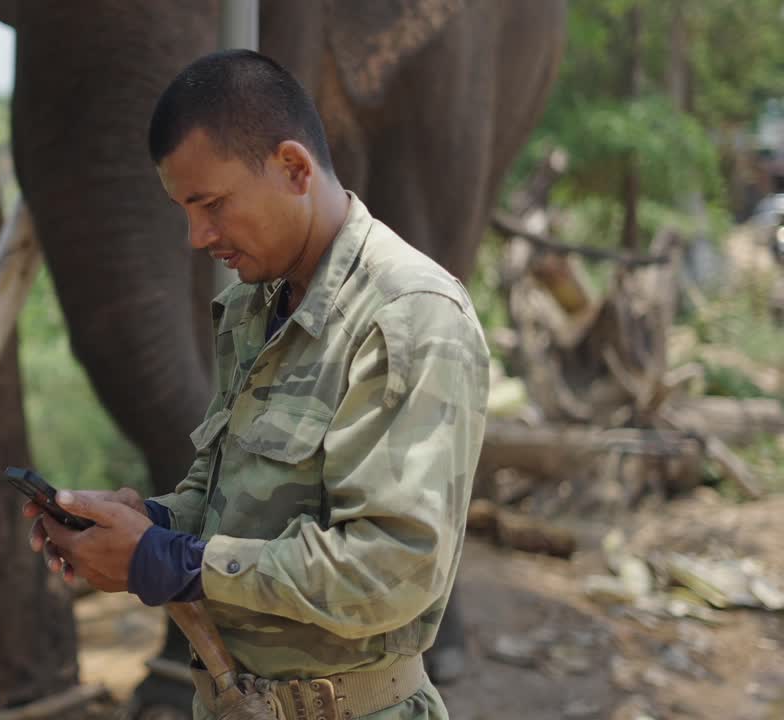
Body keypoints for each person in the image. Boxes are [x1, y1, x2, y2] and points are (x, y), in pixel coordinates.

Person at [24, 49, 490, 720]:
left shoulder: (409, 315)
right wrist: (146, 524)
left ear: (294, 168)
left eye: (212, 205)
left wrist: (177, 563)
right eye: (185, 210)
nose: (197, 236)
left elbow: (391, 570)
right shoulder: (255, 307)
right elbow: (234, 505)